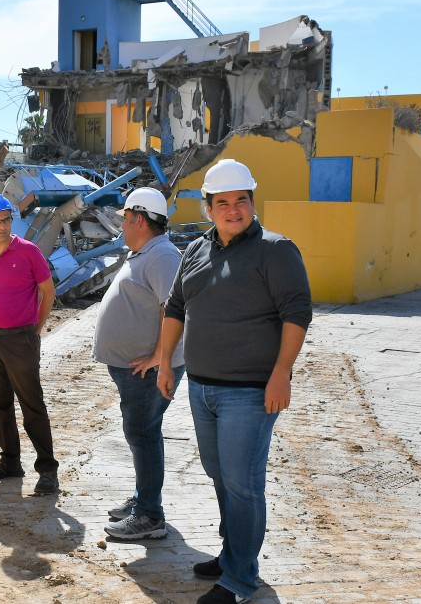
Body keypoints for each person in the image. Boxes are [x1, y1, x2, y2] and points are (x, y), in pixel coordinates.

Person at [156, 159, 312, 604]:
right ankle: (232, 556)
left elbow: (296, 313)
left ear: (251, 202)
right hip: (201, 388)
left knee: (243, 483)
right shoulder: (197, 250)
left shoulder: (276, 250)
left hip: (249, 392)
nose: (232, 210)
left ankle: (240, 579)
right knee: (222, 477)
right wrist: (166, 363)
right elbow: (175, 307)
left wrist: (281, 374)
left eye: (240, 200)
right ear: (208, 208)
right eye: (222, 203)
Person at [94, 188, 186, 540]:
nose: (122, 226)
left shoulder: (162, 256)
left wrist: (160, 357)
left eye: (125, 220)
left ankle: (150, 515)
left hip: (148, 370)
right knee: (142, 432)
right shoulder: (146, 252)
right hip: (138, 368)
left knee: (143, 433)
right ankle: (143, 498)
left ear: (139, 219)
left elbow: (175, 308)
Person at [0, 193, 60, 495]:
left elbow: (47, 292)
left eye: (7, 219)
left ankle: (48, 469)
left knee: (31, 404)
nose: (2, 226)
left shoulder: (28, 252)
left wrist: (35, 330)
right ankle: (10, 461)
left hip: (20, 338)